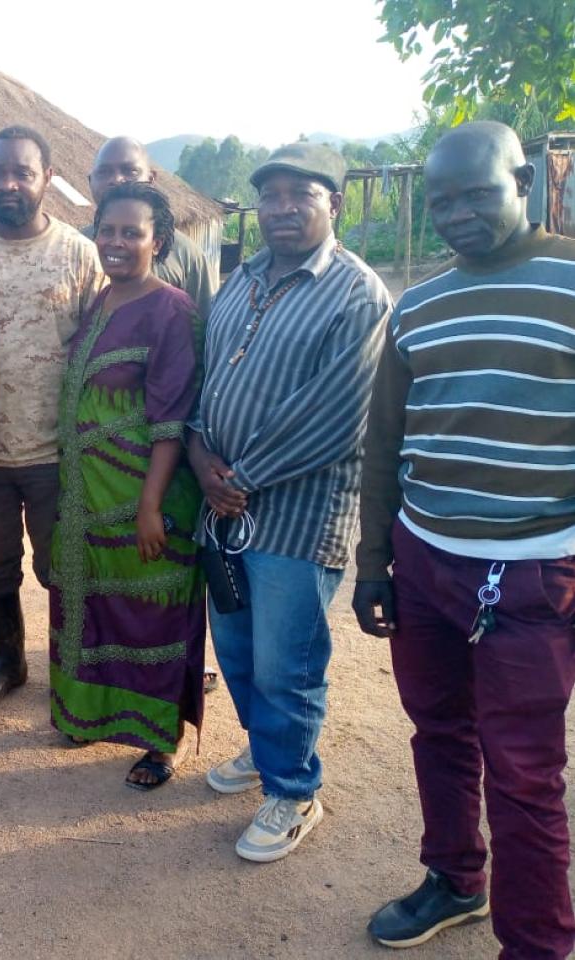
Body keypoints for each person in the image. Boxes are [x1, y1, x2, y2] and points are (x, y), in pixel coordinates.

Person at [353, 121, 575, 959]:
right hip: (424, 562)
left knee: (524, 777)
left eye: (477, 194)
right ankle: (454, 879)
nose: (456, 215)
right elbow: (386, 443)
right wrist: (376, 564)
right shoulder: (420, 305)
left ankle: (538, 946)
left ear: (526, 180)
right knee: (437, 730)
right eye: (441, 201)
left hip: (534, 574)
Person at [187, 143, 390, 861]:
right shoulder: (239, 279)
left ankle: (295, 790)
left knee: (286, 664)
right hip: (224, 509)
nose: (279, 208)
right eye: (269, 195)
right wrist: (201, 456)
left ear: (333, 204)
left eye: (298, 194)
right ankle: (268, 752)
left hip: (298, 523)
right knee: (238, 651)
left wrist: (234, 479)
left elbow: (338, 417)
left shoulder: (357, 295)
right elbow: (209, 383)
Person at [0, 126, 104, 716]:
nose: (8, 184)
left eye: (22, 173)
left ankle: (73, 668)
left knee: (64, 568)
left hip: (60, 453)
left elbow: (104, 350)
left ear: (45, 177)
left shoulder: (79, 255)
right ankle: (7, 661)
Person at [50, 183, 205, 789]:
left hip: (144, 496)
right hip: (86, 495)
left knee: (153, 618)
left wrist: (150, 506)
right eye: (106, 231)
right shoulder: (103, 300)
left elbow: (171, 415)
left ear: (157, 241)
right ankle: (91, 714)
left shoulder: (172, 309)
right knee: (95, 607)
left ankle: (163, 744)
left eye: (131, 233)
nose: (115, 243)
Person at [85, 136, 218, 322]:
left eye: (129, 171)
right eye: (104, 172)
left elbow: (206, 328)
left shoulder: (186, 253)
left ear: (151, 178)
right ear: (90, 180)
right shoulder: (74, 247)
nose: (116, 180)